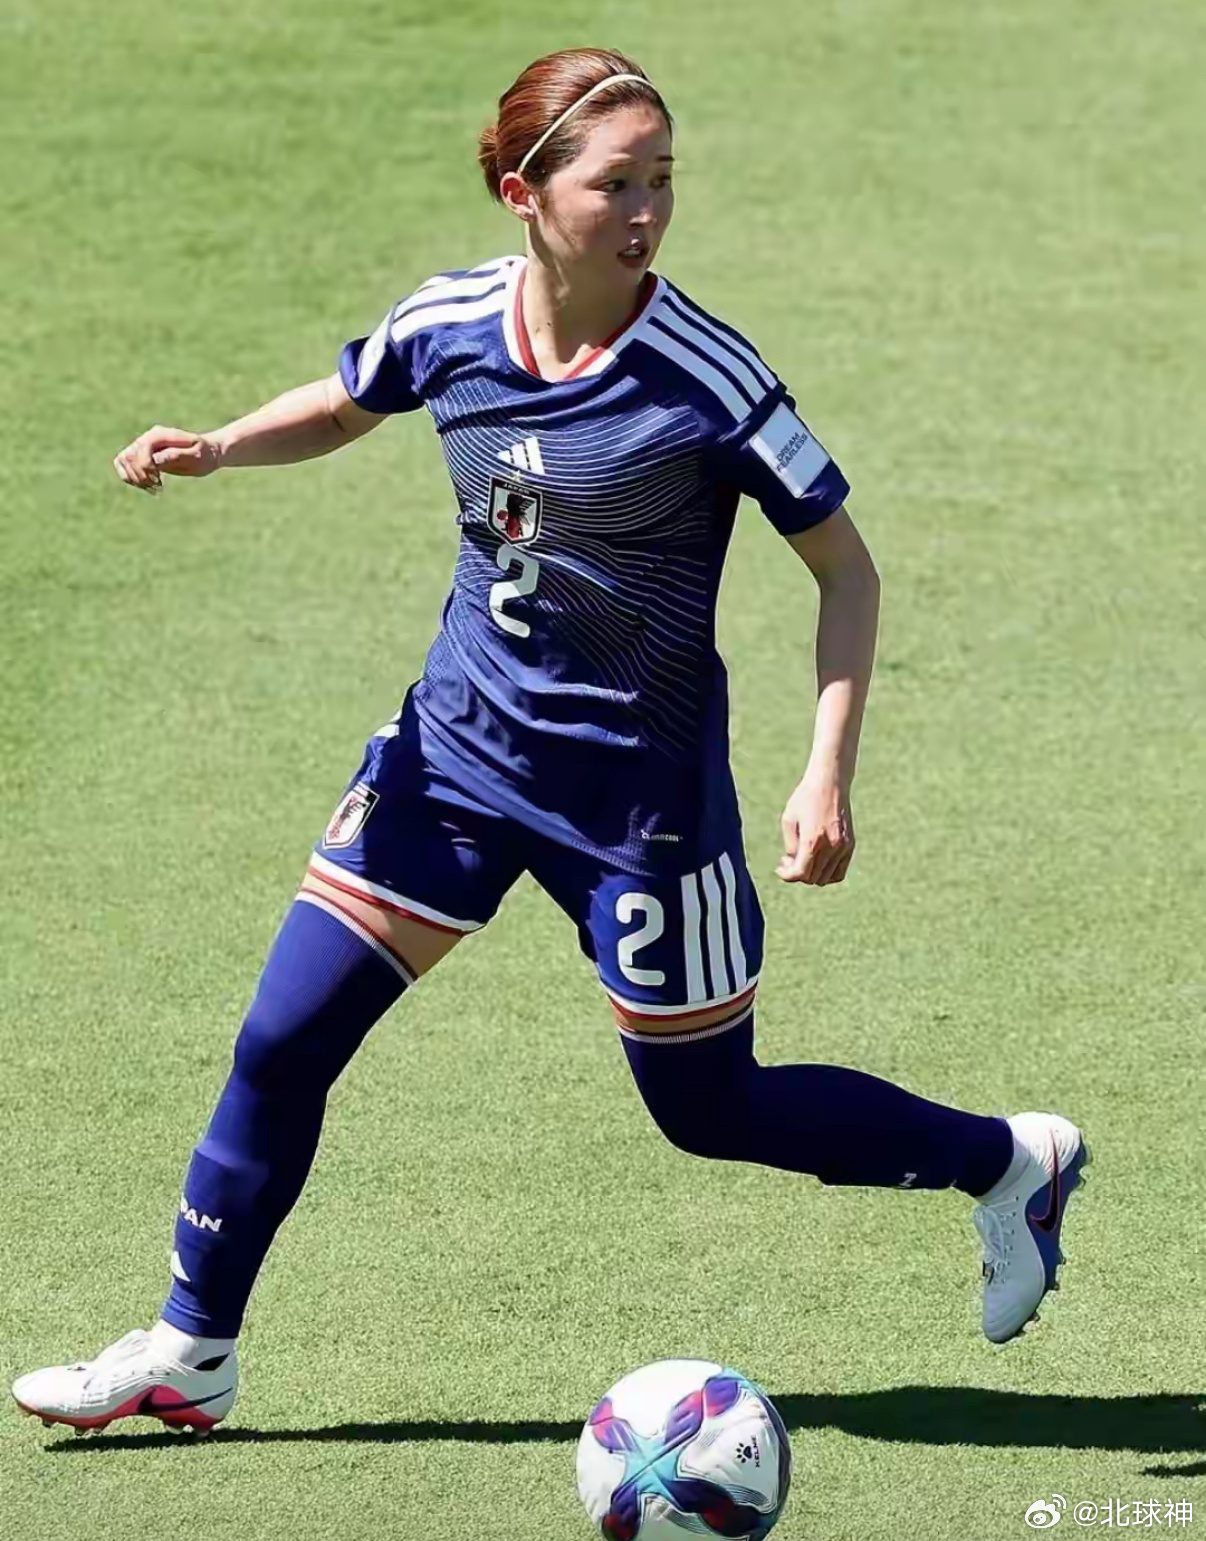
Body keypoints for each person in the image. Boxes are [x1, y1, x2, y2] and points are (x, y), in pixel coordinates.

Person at [13, 48, 1088, 1438]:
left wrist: (826, 768)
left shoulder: (705, 377)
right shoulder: (452, 321)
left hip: (638, 804)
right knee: (281, 1040)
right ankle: (192, 1345)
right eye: (615, 184)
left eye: (661, 181)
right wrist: (219, 445)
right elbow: (347, 402)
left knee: (707, 1108)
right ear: (525, 193)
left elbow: (846, 569)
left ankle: (1005, 1163)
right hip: (454, 760)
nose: (646, 213)